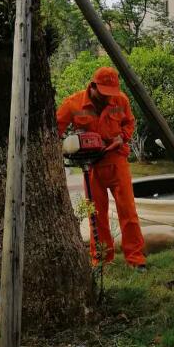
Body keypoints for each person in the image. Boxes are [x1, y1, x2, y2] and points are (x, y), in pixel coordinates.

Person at [56, 66, 146, 272]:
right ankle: (102, 260)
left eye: (110, 93)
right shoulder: (73, 103)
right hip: (91, 166)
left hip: (116, 160)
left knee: (128, 212)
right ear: (93, 86)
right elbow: (54, 129)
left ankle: (136, 258)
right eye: (104, 93)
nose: (107, 98)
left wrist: (122, 137)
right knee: (96, 215)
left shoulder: (120, 100)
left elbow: (129, 122)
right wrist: (66, 146)